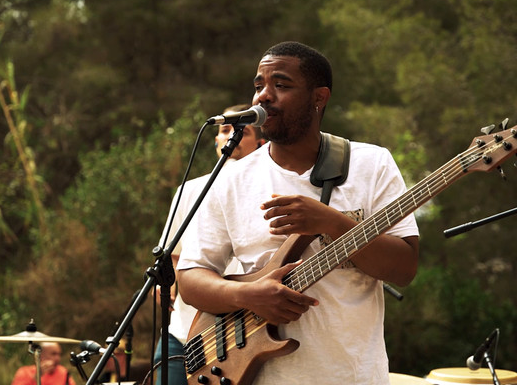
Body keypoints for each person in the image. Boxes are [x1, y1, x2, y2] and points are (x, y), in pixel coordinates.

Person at [177, 41, 420, 384]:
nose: (263, 96)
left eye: (281, 85)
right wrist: (247, 295)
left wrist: (330, 221)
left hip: (352, 376)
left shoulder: (372, 164)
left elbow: (404, 268)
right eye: (259, 85)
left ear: (319, 98)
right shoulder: (230, 181)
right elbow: (190, 280)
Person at [153, 104, 266, 385]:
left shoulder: (268, 189)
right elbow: (174, 255)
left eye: (242, 131)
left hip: (238, 336)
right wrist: (164, 285)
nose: (231, 135)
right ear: (216, 138)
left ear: (261, 143)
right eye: (225, 129)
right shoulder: (189, 190)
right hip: (181, 335)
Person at [11, 342, 75, 385]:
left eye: (59, 354)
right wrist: (37, 376)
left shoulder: (63, 372)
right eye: (53, 354)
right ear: (41, 355)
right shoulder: (24, 372)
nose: (57, 358)